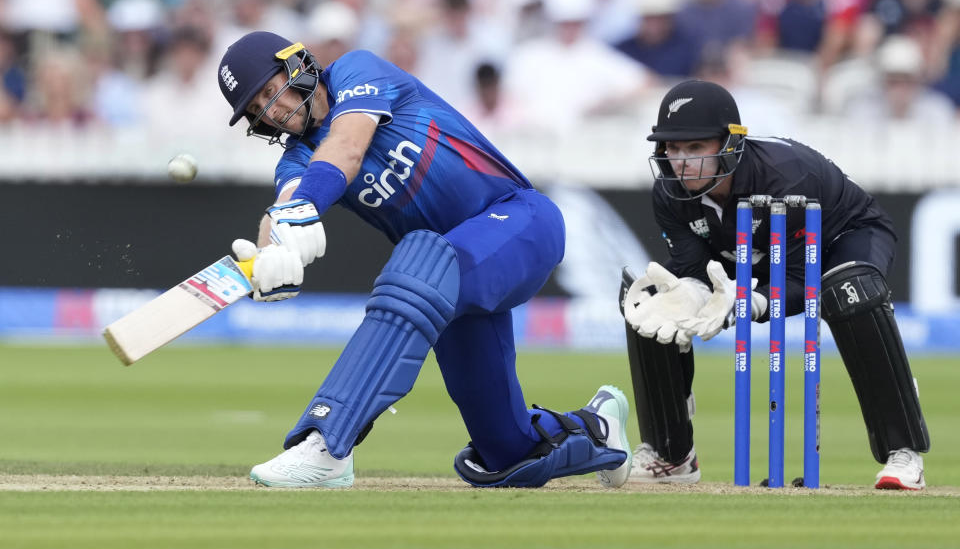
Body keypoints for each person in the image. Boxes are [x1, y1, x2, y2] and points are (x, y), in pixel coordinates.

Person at [215, 30, 632, 489]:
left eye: (271, 92)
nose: (272, 112)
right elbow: (287, 201)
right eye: (258, 110)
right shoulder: (297, 160)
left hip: (522, 223)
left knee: (417, 256)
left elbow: (347, 147)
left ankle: (327, 444)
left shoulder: (357, 71)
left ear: (298, 67)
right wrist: (272, 251)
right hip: (449, 281)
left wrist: (303, 208)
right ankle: (597, 431)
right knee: (507, 453)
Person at [620, 79, 930, 490]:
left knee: (848, 291)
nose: (681, 162)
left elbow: (804, 281)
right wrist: (694, 295)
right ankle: (671, 453)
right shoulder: (670, 194)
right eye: (672, 149)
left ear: (730, 143)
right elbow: (694, 268)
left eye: (695, 148)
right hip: (758, 255)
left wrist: (751, 303)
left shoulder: (787, 177)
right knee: (652, 302)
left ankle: (902, 451)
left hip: (841, 236)